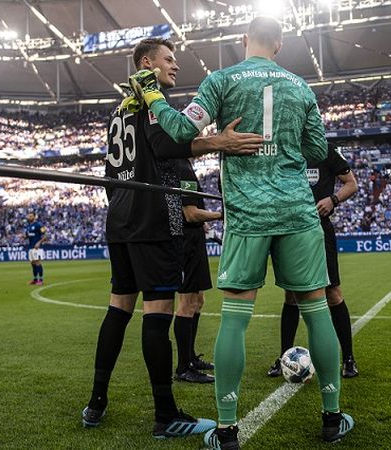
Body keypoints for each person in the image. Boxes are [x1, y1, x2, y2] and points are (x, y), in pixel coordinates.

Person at [137, 16, 355, 449]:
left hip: (248, 214)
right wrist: (286, 142)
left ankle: (227, 428)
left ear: (244, 41)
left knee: (235, 320)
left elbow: (179, 130)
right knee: (317, 310)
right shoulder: (300, 86)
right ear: (279, 44)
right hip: (296, 211)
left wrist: (152, 95)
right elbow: (317, 150)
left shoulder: (221, 80)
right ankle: (332, 418)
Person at [81, 37, 263, 439]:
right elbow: (165, 143)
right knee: (158, 311)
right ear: (147, 63)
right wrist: (218, 142)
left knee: (118, 308)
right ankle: (165, 416)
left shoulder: (120, 108)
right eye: (169, 59)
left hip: (121, 217)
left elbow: (116, 168)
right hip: (152, 219)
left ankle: (96, 402)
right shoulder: (149, 98)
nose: (175, 66)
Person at [267, 145, 359, 378]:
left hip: (319, 230)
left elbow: (352, 183)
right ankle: (283, 358)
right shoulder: (282, 149)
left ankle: (348, 359)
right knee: (291, 294)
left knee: (332, 293)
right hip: (289, 230)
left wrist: (333, 199)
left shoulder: (324, 150)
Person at [173, 157, 221, 384]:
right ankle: (183, 367)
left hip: (194, 237)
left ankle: (190, 357)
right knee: (186, 303)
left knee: (198, 300)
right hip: (185, 240)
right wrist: (223, 214)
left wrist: (205, 223)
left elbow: (192, 211)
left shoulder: (185, 166)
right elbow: (190, 214)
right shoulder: (181, 166)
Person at [24, 213, 47, 285]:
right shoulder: (28, 226)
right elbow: (28, 236)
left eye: (31, 216)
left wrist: (39, 242)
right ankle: (35, 279)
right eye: (29, 216)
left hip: (37, 247)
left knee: (38, 262)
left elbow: (45, 235)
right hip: (31, 247)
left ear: (34, 217)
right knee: (33, 263)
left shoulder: (39, 225)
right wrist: (23, 237)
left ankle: (41, 280)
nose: (29, 217)